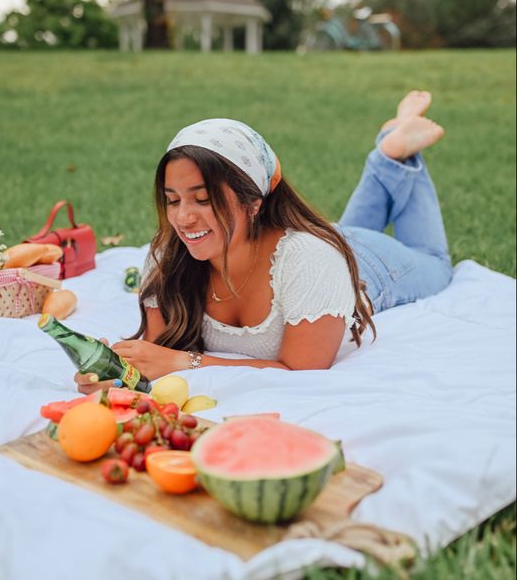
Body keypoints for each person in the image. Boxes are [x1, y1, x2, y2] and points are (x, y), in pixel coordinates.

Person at [76, 90, 453, 390]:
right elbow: (156, 353)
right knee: (337, 231)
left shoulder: (313, 261)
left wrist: (186, 363)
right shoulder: (167, 255)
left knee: (434, 260)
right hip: (320, 247)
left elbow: (302, 370)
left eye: (203, 199)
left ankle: (394, 150)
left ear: (253, 201)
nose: (183, 217)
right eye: (173, 200)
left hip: (368, 265)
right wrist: (115, 370)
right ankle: (389, 149)